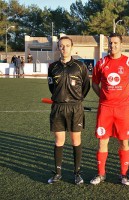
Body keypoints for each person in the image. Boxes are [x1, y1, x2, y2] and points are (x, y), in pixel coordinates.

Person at [90, 33, 129, 186]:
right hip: (105, 109)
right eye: (110, 43)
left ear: (121, 44)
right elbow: (94, 84)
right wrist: (103, 98)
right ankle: (101, 174)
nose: (113, 46)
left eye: (116, 43)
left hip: (123, 109)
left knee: (124, 142)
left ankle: (124, 175)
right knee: (102, 142)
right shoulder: (101, 63)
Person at [47, 36, 90, 185]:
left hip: (75, 108)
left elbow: (86, 86)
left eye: (67, 45)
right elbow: (51, 87)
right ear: (58, 48)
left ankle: (77, 173)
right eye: (61, 46)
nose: (64, 48)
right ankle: (58, 172)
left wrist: (76, 99)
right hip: (58, 107)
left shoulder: (80, 66)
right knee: (59, 140)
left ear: (72, 47)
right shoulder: (52, 67)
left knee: (75, 140)